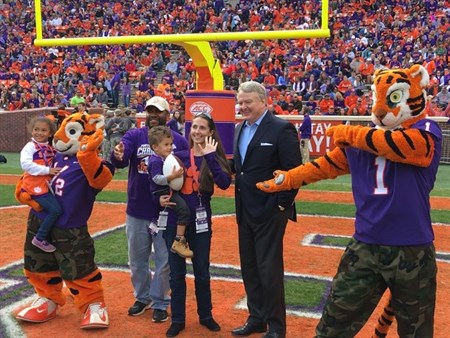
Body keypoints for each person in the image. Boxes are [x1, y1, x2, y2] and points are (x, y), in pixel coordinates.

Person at [256, 65, 441, 338]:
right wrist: (290, 179)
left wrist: (352, 133)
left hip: (412, 248)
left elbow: (410, 148)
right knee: (332, 328)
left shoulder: (426, 129)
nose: (379, 110)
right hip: (365, 246)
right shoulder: (365, 139)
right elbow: (325, 166)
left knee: (416, 333)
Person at [15, 112, 114, 329]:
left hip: (70, 226)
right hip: (39, 219)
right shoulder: (51, 154)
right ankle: (48, 297)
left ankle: (93, 304)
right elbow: (33, 175)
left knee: (80, 267)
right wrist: (22, 189)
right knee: (38, 263)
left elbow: (102, 177)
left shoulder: (91, 162)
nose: (59, 137)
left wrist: (88, 154)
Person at [230, 81, 301, 338]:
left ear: (263, 101)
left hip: (270, 211)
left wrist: (282, 204)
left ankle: (276, 327)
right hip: (245, 210)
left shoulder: (282, 129)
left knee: (268, 270)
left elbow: (294, 172)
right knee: (249, 267)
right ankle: (256, 318)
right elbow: (239, 168)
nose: (243, 106)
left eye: (248, 101)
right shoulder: (238, 129)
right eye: (240, 102)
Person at [110, 96, 189, 321]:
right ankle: (142, 297)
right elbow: (121, 158)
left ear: (167, 114)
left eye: (158, 111)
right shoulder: (135, 135)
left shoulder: (179, 140)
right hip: (138, 208)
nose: (154, 115)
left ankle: (160, 301)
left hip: (166, 211)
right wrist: (116, 155)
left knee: (164, 260)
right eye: (150, 111)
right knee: (137, 259)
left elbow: (188, 166)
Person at [162, 111, 232, 337]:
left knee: (202, 271)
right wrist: (159, 197)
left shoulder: (215, 156)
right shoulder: (179, 155)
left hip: (201, 223)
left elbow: (223, 184)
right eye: (194, 127)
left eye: (202, 128)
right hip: (175, 221)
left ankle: (206, 315)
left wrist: (210, 156)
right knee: (176, 274)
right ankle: (179, 319)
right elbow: (163, 183)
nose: (197, 132)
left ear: (211, 132)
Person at [148, 126, 193, 259]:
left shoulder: (163, 158)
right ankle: (179, 241)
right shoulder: (155, 160)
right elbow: (156, 179)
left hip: (167, 191)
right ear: (155, 147)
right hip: (162, 193)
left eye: (171, 144)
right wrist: (172, 177)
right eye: (166, 145)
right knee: (184, 211)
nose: (170, 147)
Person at [19, 117, 62, 252]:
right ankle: (40, 237)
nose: (39, 133)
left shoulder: (48, 147)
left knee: (51, 208)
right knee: (56, 210)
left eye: (44, 130)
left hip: (44, 184)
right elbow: (25, 164)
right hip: (34, 184)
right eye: (36, 129)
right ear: (31, 131)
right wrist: (47, 170)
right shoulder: (30, 146)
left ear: (50, 133)